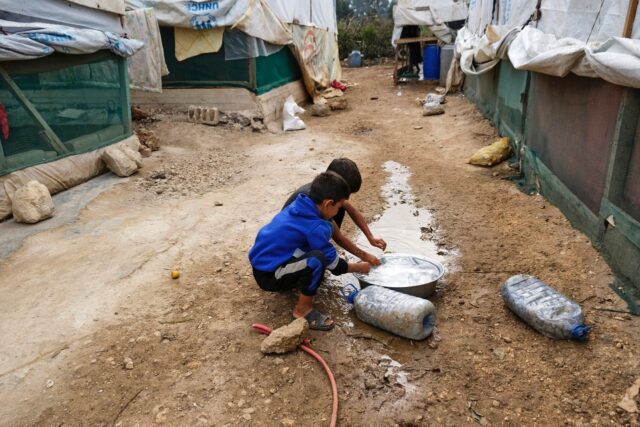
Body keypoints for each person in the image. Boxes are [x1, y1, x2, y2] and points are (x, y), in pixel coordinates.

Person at [249, 171, 371, 330]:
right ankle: (303, 310)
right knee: (317, 260)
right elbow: (336, 267)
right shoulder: (315, 226)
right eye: (339, 208)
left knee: (315, 252)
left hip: (263, 263)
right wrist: (361, 267)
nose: (337, 213)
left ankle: (295, 277)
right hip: (269, 275)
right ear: (328, 204)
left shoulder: (301, 204)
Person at [283, 158, 387, 266]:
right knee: (321, 260)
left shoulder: (323, 190)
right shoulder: (317, 201)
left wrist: (370, 237)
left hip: (300, 235)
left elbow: (352, 211)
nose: (347, 199)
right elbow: (339, 237)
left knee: (339, 207)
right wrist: (364, 257)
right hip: (290, 250)